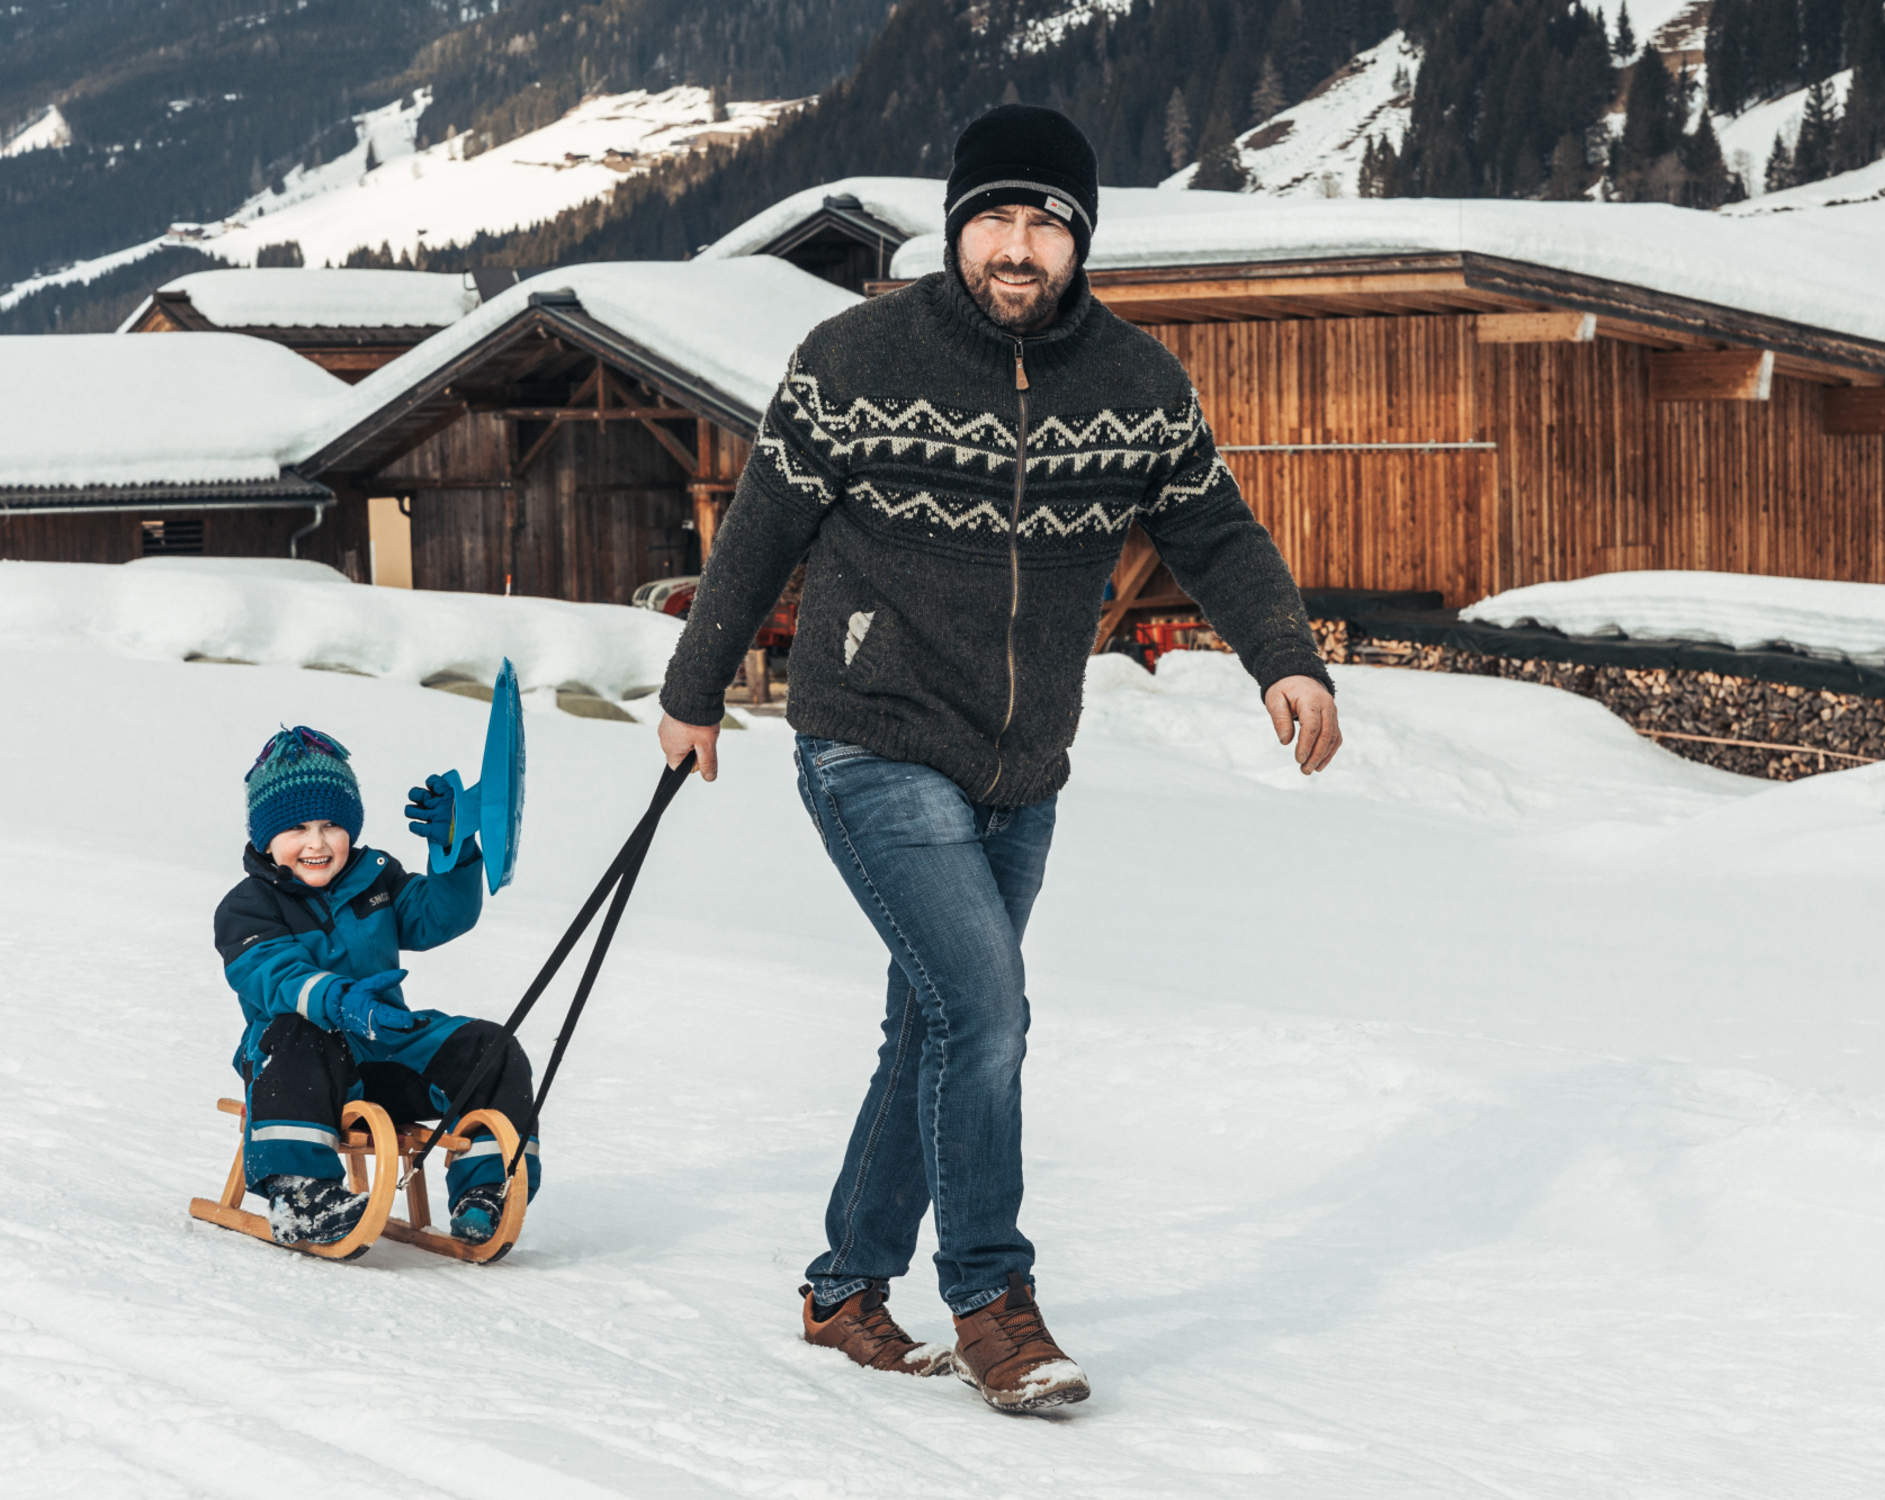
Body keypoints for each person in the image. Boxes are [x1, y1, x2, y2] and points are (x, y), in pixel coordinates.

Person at [656, 104, 1340, 1412]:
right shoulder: (854, 357)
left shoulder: (1136, 384)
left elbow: (1219, 536)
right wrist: (696, 689)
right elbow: (759, 531)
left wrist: (1286, 658)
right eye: (996, 221)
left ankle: (846, 1285)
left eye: (1047, 225)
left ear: (1079, 241)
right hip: (869, 733)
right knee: (984, 1008)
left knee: (935, 1019)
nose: (1018, 249)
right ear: (955, 227)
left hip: (1020, 762)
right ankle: (991, 1300)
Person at [212, 726, 542, 1246]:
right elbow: (273, 974)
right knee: (298, 1032)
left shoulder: (376, 880)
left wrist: (452, 851)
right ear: (266, 838)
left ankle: (486, 1191)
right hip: (304, 1071)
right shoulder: (247, 907)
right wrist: (340, 1001)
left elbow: (440, 917)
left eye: (330, 825)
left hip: (386, 1051)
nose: (317, 842)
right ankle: (301, 1195)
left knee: (489, 1047)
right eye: (296, 827)